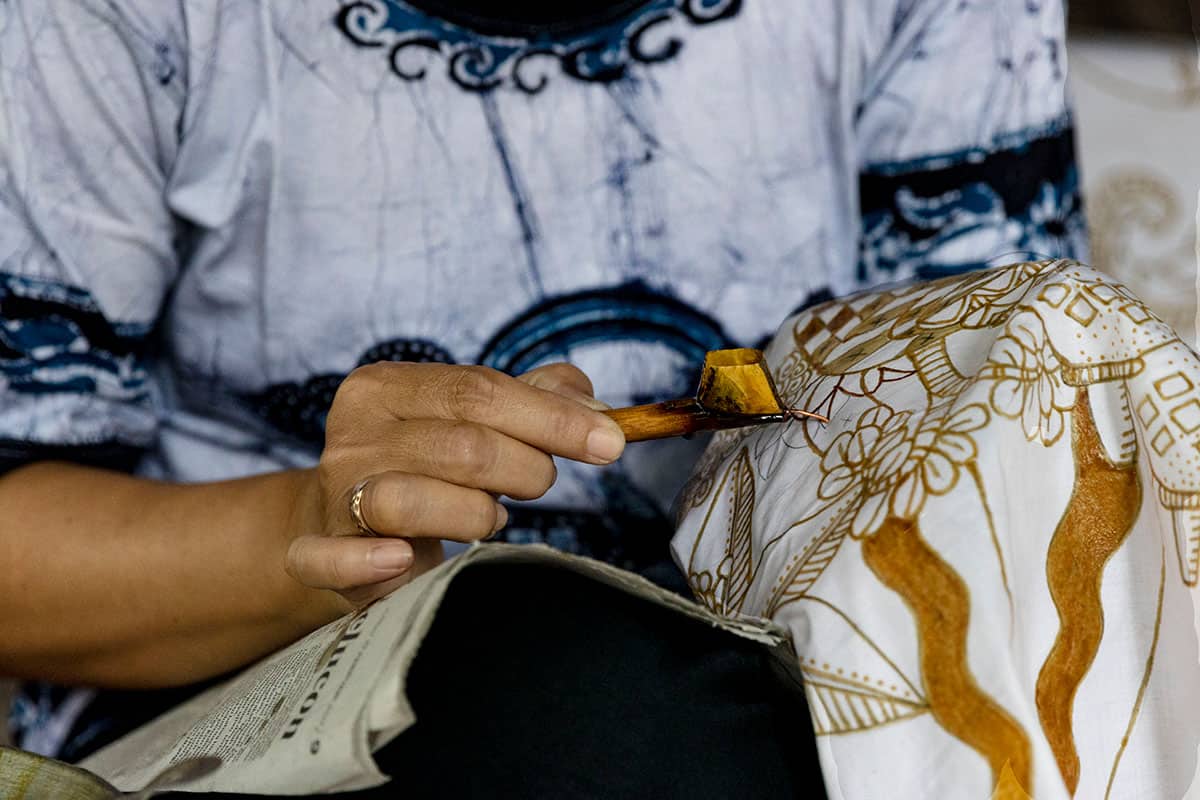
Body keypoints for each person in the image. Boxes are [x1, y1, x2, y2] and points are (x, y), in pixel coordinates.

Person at [0, 0, 1085, 785]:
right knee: (606, 703)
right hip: (266, 693)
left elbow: (1013, 400)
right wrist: (304, 528)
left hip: (786, 670)